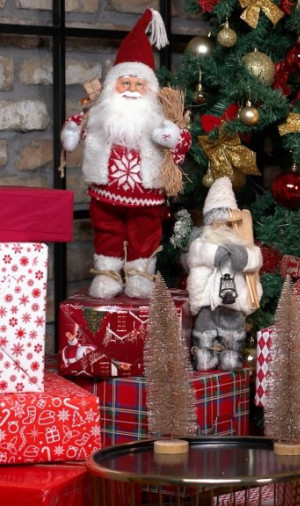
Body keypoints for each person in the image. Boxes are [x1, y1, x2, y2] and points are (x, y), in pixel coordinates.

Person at [60, 8, 190, 299]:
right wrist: (70, 134)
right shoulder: (100, 114)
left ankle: (140, 276)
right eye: (125, 83)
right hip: (105, 191)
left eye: (138, 84)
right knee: (106, 230)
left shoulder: (158, 117)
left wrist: (173, 137)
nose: (131, 89)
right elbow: (77, 125)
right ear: (112, 86)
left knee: (145, 232)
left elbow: (182, 143)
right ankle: (107, 275)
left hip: (146, 194)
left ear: (149, 88)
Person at [186, 177, 263, 371]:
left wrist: (243, 257)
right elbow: (196, 256)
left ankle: (231, 355)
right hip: (208, 301)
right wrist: (215, 254)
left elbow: (255, 259)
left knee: (233, 327)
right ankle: (204, 355)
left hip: (234, 302)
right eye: (216, 223)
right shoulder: (202, 244)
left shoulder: (243, 245)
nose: (221, 228)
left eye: (226, 224)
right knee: (204, 327)